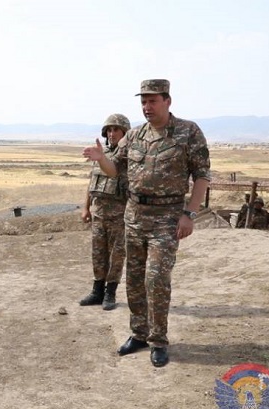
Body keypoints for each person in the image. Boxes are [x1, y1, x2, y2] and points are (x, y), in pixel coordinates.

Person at [83, 79, 210, 368]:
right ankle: (139, 334)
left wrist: (189, 214)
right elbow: (115, 170)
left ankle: (159, 340)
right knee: (135, 280)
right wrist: (102, 158)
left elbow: (202, 175)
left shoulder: (188, 132)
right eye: (143, 101)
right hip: (134, 216)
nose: (146, 106)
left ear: (167, 101)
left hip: (167, 219)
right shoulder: (135, 135)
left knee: (156, 279)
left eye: (152, 100)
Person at [79, 114, 130, 311]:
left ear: (125, 132)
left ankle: (110, 292)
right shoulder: (101, 154)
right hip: (99, 213)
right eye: (109, 130)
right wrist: (85, 207)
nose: (112, 133)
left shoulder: (127, 156)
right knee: (98, 254)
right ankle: (97, 291)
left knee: (116, 256)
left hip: (119, 215)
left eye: (116, 129)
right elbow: (92, 183)